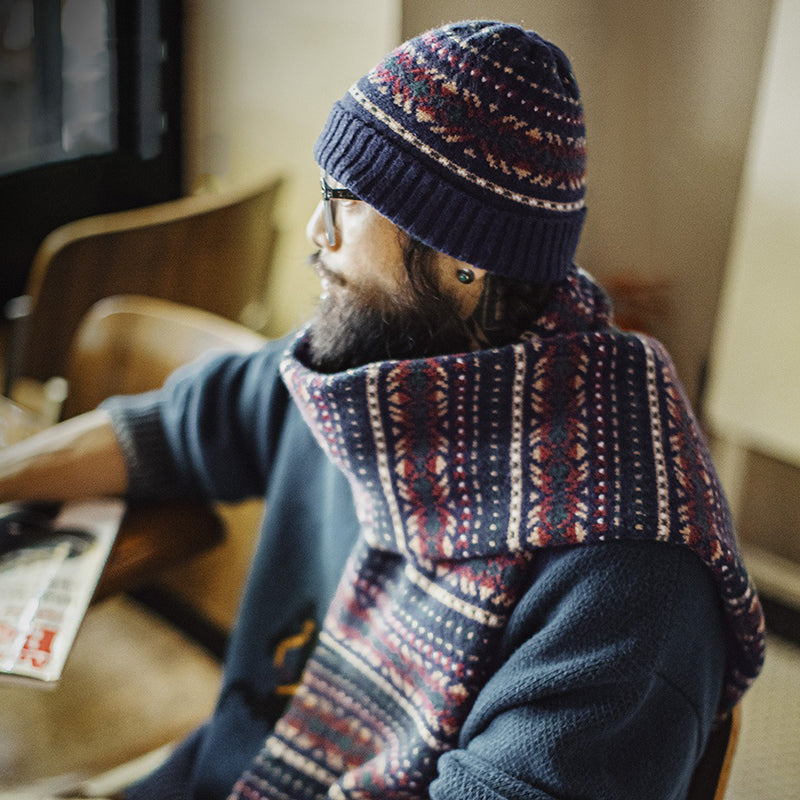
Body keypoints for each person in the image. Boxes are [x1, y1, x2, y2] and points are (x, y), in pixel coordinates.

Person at [0, 20, 765, 800]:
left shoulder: (629, 577)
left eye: (348, 202)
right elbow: (169, 430)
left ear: (466, 260)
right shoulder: (373, 365)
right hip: (225, 772)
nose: (313, 232)